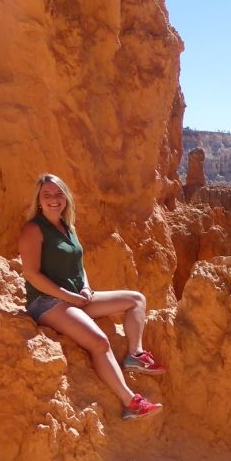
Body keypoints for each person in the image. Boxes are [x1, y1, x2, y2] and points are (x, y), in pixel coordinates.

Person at [18, 173, 165, 421]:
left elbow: (79, 264)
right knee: (99, 341)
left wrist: (85, 287)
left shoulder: (68, 227)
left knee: (136, 299)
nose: (54, 199)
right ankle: (130, 402)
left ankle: (135, 355)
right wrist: (69, 297)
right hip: (47, 302)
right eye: (47, 195)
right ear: (39, 200)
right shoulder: (33, 229)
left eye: (58, 194)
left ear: (65, 198)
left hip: (77, 297)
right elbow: (31, 274)